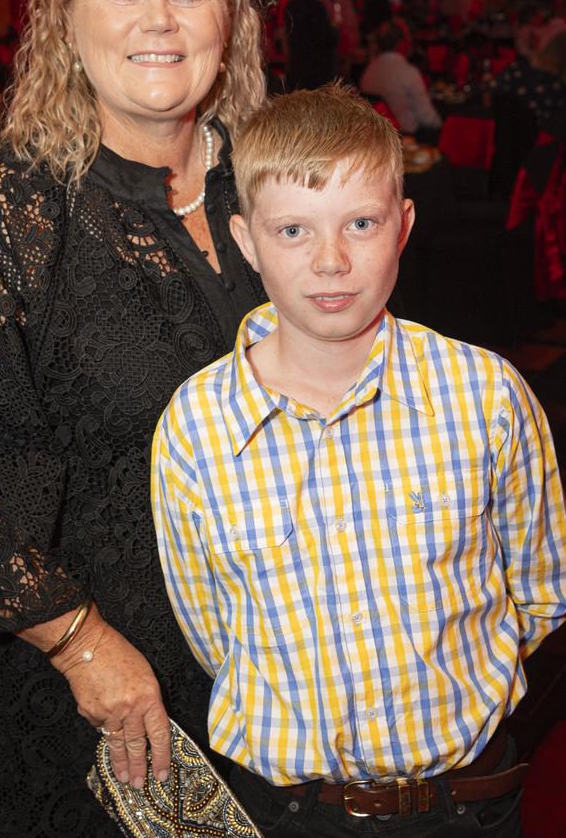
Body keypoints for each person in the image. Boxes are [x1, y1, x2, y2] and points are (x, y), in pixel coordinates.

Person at [0, 0, 266, 838]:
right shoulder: (6, 213)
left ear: (228, 14)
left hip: (289, 679)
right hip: (118, 700)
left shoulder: (276, 176)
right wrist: (79, 647)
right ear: (64, 19)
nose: (159, 19)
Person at [152, 83, 566, 838]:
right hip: (298, 812)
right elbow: (212, 630)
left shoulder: (487, 395)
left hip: (468, 801)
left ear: (403, 226)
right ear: (245, 241)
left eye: (362, 223)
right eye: (293, 232)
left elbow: (537, 591)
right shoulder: (197, 429)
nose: (332, 260)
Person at [360, 20, 441, 137]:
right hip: (407, 139)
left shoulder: (369, 70)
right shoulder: (408, 72)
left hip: (376, 137)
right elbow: (427, 118)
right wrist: (442, 125)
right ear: (401, 43)